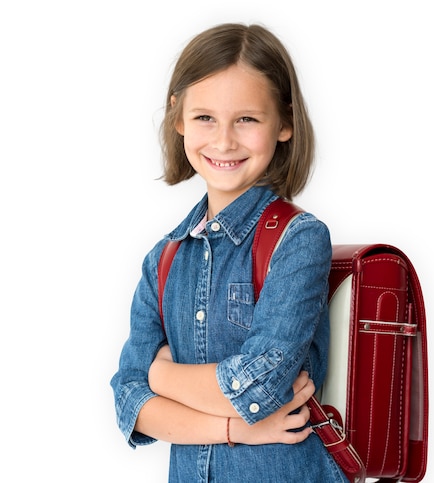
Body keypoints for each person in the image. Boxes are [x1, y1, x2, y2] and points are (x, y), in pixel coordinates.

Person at [110, 23, 347, 482]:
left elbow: (260, 387)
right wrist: (236, 429)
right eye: (205, 118)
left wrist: (161, 378)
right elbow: (129, 403)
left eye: (247, 119)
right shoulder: (164, 259)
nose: (223, 141)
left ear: (284, 123)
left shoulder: (298, 239)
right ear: (177, 119)